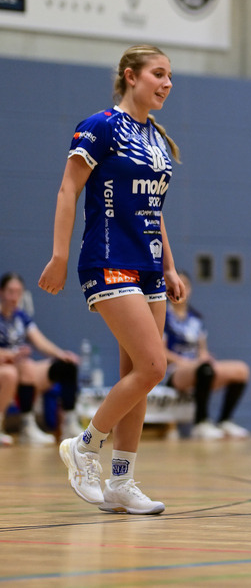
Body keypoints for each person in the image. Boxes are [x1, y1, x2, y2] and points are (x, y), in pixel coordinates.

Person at [39, 44, 184, 516]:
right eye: (158, 74)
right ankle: (84, 446)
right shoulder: (101, 126)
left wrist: (169, 266)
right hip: (108, 258)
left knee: (137, 377)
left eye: (169, 76)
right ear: (130, 76)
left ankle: (121, 481)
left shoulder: (156, 136)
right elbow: (68, 188)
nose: (166, 83)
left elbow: (154, 208)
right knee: (154, 366)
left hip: (149, 265)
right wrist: (60, 255)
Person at [165, 272, 250, 440]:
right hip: (173, 371)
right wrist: (187, 363)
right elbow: (160, 352)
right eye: (177, 283)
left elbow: (202, 349)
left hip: (197, 367)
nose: (181, 287)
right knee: (203, 369)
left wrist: (205, 357)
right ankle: (201, 422)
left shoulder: (196, 318)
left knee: (241, 370)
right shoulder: (163, 315)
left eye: (185, 284)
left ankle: (225, 420)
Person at [0, 272, 81, 444]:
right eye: (10, 292)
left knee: (66, 366)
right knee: (13, 372)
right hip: (5, 369)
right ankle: (24, 426)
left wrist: (62, 354)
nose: (14, 297)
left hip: (22, 368)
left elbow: (40, 342)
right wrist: (10, 355)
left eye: (18, 292)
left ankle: (69, 423)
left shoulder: (21, 317)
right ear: (1, 292)